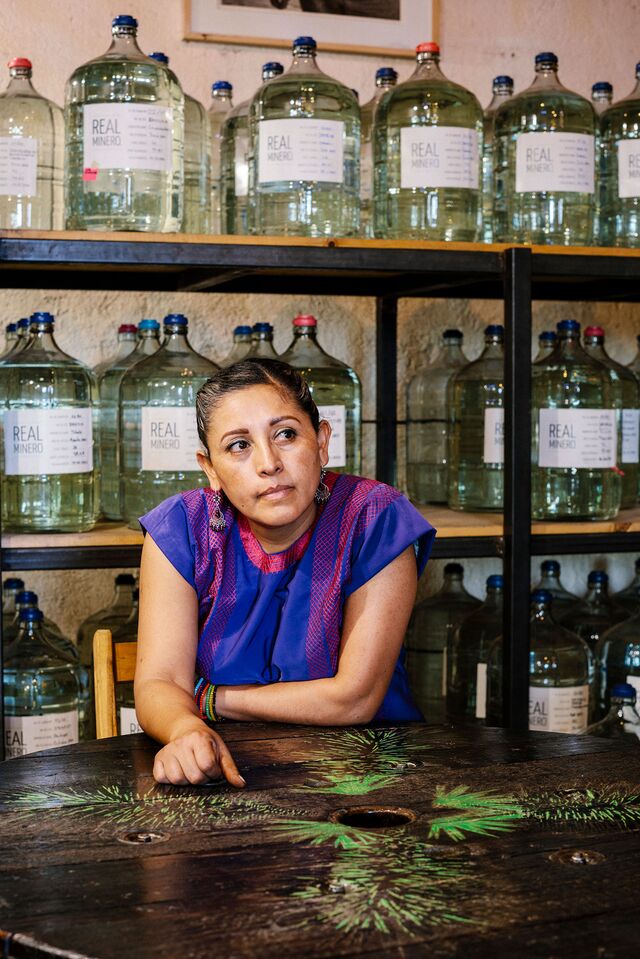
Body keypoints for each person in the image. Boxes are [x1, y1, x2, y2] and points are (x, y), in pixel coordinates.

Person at [135, 358, 435, 787]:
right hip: (229, 773)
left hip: (372, 776)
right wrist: (186, 729)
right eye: (239, 445)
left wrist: (209, 700)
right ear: (210, 469)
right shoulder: (182, 528)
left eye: (286, 434)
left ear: (322, 441)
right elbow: (159, 682)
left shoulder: (374, 519)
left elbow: (353, 700)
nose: (268, 463)